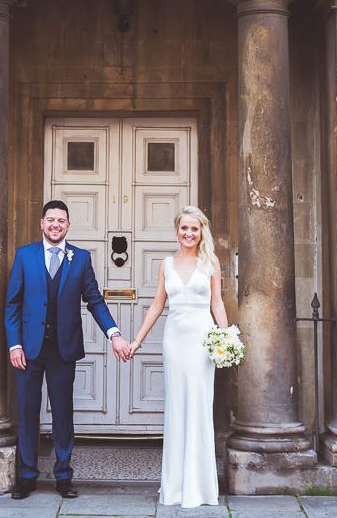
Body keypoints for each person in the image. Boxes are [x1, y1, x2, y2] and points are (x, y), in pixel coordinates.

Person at [5, 200, 132, 500]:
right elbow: (12, 303)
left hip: (63, 350)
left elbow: (95, 300)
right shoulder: (25, 256)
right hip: (28, 350)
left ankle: (63, 475)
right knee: (27, 412)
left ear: (68, 225)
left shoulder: (81, 258)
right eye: (50, 220)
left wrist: (114, 334)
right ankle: (26, 476)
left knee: (63, 413)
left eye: (61, 221)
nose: (55, 225)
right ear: (41, 223)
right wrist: (14, 344)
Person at [128, 205, 229, 509]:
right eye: (184, 228)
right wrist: (137, 340)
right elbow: (158, 304)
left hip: (201, 339)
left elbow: (218, 304)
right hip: (174, 339)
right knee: (176, 409)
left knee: (199, 407)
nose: (189, 233)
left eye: (194, 229)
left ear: (202, 232)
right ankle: (174, 488)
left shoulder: (211, 262)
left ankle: (199, 489)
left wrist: (226, 339)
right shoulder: (166, 265)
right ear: (177, 231)